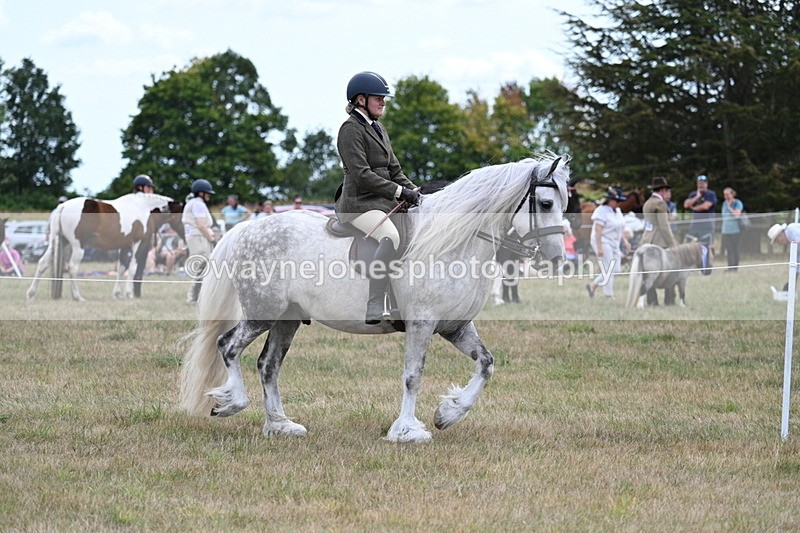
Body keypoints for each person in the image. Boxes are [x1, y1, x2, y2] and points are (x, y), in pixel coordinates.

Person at [335, 71, 420, 324]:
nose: (383, 102)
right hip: (358, 203)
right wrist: (398, 192)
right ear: (361, 100)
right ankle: (375, 303)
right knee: (390, 236)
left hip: (382, 201)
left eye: (384, 98)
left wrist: (416, 192)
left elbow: (395, 171)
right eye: (378, 98)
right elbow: (362, 175)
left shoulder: (378, 128)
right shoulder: (349, 130)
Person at [586, 188, 631, 300]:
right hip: (602, 240)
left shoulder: (618, 211)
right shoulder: (601, 211)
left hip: (614, 242)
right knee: (609, 268)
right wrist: (599, 247)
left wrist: (625, 241)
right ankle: (609, 295)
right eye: (617, 201)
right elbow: (598, 231)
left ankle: (592, 285)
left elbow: (619, 229)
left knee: (616, 269)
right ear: (610, 200)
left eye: (620, 201)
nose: (619, 203)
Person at [640, 176, 678, 305]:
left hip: (646, 240)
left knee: (648, 273)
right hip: (659, 241)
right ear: (662, 190)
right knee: (672, 270)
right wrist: (673, 245)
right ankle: (670, 300)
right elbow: (664, 226)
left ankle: (652, 301)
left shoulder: (647, 203)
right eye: (666, 190)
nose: (667, 193)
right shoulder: (660, 204)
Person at [183, 179, 218, 304]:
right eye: (207, 192)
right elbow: (202, 225)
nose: (209, 195)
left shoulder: (193, 202)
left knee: (201, 266)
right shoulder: (198, 204)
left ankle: (196, 296)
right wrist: (212, 239)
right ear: (200, 193)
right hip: (199, 237)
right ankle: (193, 297)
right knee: (201, 266)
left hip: (196, 237)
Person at [682, 174, 717, 245]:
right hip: (694, 225)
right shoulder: (693, 194)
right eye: (699, 183)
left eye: (703, 183)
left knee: (706, 245)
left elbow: (705, 206)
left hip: (707, 225)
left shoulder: (711, 194)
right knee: (690, 243)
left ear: (706, 184)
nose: (701, 185)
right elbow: (686, 205)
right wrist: (697, 196)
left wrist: (694, 207)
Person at [720, 187, 744, 272]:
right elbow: (723, 215)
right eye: (724, 195)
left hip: (735, 230)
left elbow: (737, 215)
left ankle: (735, 267)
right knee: (729, 250)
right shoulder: (724, 204)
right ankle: (730, 267)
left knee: (735, 249)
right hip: (726, 230)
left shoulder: (737, 203)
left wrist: (730, 207)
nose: (726, 197)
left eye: (727, 195)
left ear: (732, 194)